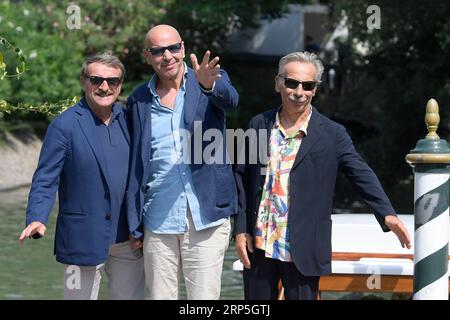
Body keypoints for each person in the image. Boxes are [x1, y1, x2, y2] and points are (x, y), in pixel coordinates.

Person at [233, 51, 412, 300]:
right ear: (278, 83)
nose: (299, 92)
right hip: (260, 245)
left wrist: (387, 214)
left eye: (308, 86)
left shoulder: (333, 134)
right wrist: (240, 229)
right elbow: (242, 178)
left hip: (304, 247)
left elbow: (360, 174)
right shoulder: (258, 125)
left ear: (315, 89)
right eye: (292, 83)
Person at [18, 52, 145, 300]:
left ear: (120, 85)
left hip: (129, 239)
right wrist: (36, 216)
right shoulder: (64, 126)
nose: (105, 87)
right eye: (96, 79)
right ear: (83, 81)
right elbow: (46, 178)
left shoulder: (130, 120)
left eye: (113, 81)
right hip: (81, 238)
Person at [126, 24, 239, 300]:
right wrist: (133, 222)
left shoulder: (209, 79)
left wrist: (209, 84)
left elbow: (231, 100)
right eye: (158, 51)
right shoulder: (138, 100)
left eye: (173, 48)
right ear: (147, 56)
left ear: (183, 49)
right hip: (157, 218)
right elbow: (135, 164)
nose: (167, 56)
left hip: (206, 217)